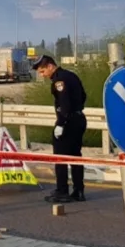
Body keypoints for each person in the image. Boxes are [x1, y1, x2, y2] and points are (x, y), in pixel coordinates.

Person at [33, 54, 87, 203]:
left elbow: (64, 103)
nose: (42, 75)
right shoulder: (71, 75)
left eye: (43, 71)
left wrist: (61, 124)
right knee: (75, 156)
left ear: (50, 66)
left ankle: (62, 191)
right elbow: (83, 96)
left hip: (67, 122)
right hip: (79, 119)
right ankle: (78, 190)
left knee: (60, 157)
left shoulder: (59, 80)